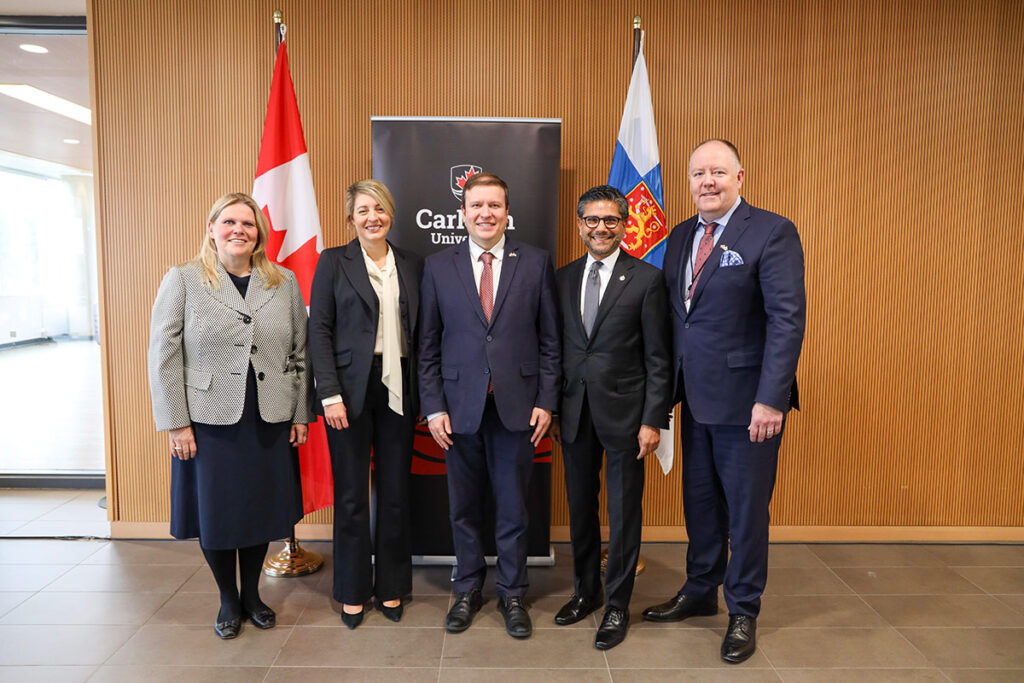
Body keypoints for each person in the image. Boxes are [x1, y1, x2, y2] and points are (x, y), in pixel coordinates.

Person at [646, 139, 806, 663]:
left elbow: (786, 321)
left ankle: (743, 609)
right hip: (693, 399)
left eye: (718, 171)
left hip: (748, 405)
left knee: (745, 511)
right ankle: (700, 590)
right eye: (698, 173)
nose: (707, 182)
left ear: (740, 176)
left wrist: (772, 399)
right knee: (701, 504)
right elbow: (680, 318)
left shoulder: (772, 231)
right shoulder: (680, 235)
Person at [148, 192, 313, 639]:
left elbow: (300, 353)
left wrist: (300, 413)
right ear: (212, 229)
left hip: (268, 417)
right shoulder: (184, 279)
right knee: (218, 513)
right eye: (229, 222)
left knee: (258, 510)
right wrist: (176, 423)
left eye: (248, 223)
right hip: (208, 420)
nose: (239, 230)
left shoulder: (283, 281)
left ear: (259, 233)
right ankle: (227, 597)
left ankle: (253, 595)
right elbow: (163, 356)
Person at [418, 172, 560, 639]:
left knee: (514, 508)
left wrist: (546, 400)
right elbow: (428, 344)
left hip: (518, 408)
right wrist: (434, 407)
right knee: (463, 507)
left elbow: (550, 341)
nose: (486, 213)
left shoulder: (535, 262)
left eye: (494, 205)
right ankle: (466, 589)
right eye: (477, 205)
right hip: (458, 410)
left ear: (507, 212)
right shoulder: (438, 266)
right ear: (462, 213)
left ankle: (513, 593)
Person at [550, 185, 672, 650]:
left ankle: (617, 604)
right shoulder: (562, 278)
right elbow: (556, 350)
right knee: (581, 509)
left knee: (623, 513)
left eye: (611, 220)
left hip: (627, 416)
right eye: (592, 220)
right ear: (580, 224)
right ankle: (587, 592)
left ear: (624, 225)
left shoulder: (647, 279)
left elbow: (659, 357)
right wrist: (555, 409)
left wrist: (653, 420)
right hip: (574, 414)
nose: (601, 228)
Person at [308, 179, 421, 629]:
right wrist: (329, 394)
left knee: (395, 493)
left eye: (380, 208)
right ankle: (352, 590)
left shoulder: (412, 263)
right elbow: (319, 330)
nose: (373, 217)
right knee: (352, 495)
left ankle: (391, 586)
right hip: (348, 391)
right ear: (351, 218)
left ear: (391, 212)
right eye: (363, 211)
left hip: (400, 386)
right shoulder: (333, 261)